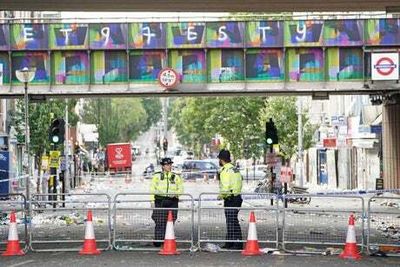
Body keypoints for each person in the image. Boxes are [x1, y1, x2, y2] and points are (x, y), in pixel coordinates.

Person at [150, 157, 184, 247]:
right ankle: (158, 240)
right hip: (160, 200)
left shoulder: (175, 176)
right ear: (162, 166)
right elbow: (152, 189)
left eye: (170, 164)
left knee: (171, 220)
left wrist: (176, 194)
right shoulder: (157, 176)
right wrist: (152, 201)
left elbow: (180, 189)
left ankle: (168, 239)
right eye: (167, 165)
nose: (169, 166)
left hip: (172, 201)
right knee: (159, 220)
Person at [217, 149, 243, 249]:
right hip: (237, 197)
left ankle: (237, 244)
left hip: (230, 199)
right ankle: (229, 242)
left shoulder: (225, 171)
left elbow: (226, 186)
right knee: (231, 220)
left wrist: (220, 196)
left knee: (232, 221)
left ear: (221, 159)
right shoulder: (234, 169)